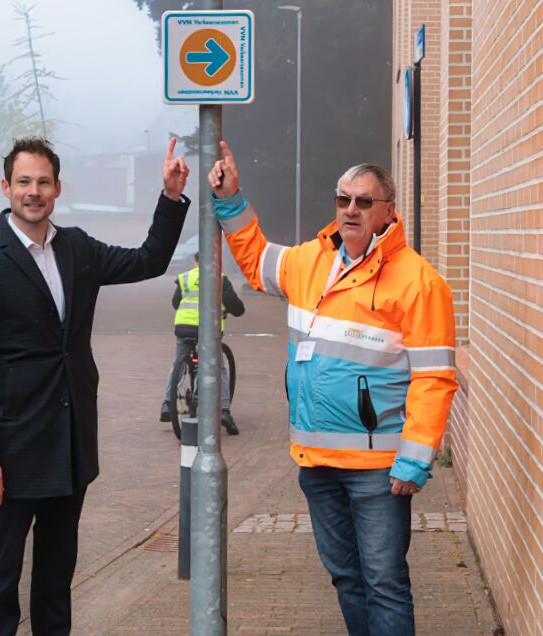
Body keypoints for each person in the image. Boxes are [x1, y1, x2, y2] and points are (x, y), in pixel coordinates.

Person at [208, 141, 458, 635]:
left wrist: (415, 460)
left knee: (384, 583)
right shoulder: (311, 262)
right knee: (346, 579)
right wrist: (231, 199)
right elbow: (256, 260)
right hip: (317, 464)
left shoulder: (419, 283)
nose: (351, 210)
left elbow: (434, 378)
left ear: (389, 211)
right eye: (343, 199)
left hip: (379, 471)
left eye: (364, 201)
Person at [0, 136, 190, 635]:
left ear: (57, 188)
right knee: (0, 581)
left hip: (70, 445)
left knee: (56, 582)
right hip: (11, 453)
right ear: (6, 187)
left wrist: (170, 197)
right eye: (23, 181)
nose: (33, 191)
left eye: (43, 182)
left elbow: (148, 260)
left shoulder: (78, 248)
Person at [160, 252, 246, 434]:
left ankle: (167, 403)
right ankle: (224, 411)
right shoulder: (221, 279)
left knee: (178, 365)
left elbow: (176, 303)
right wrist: (228, 308)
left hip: (184, 327)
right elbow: (237, 308)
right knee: (219, 367)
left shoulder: (185, 278)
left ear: (195, 261)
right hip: (209, 330)